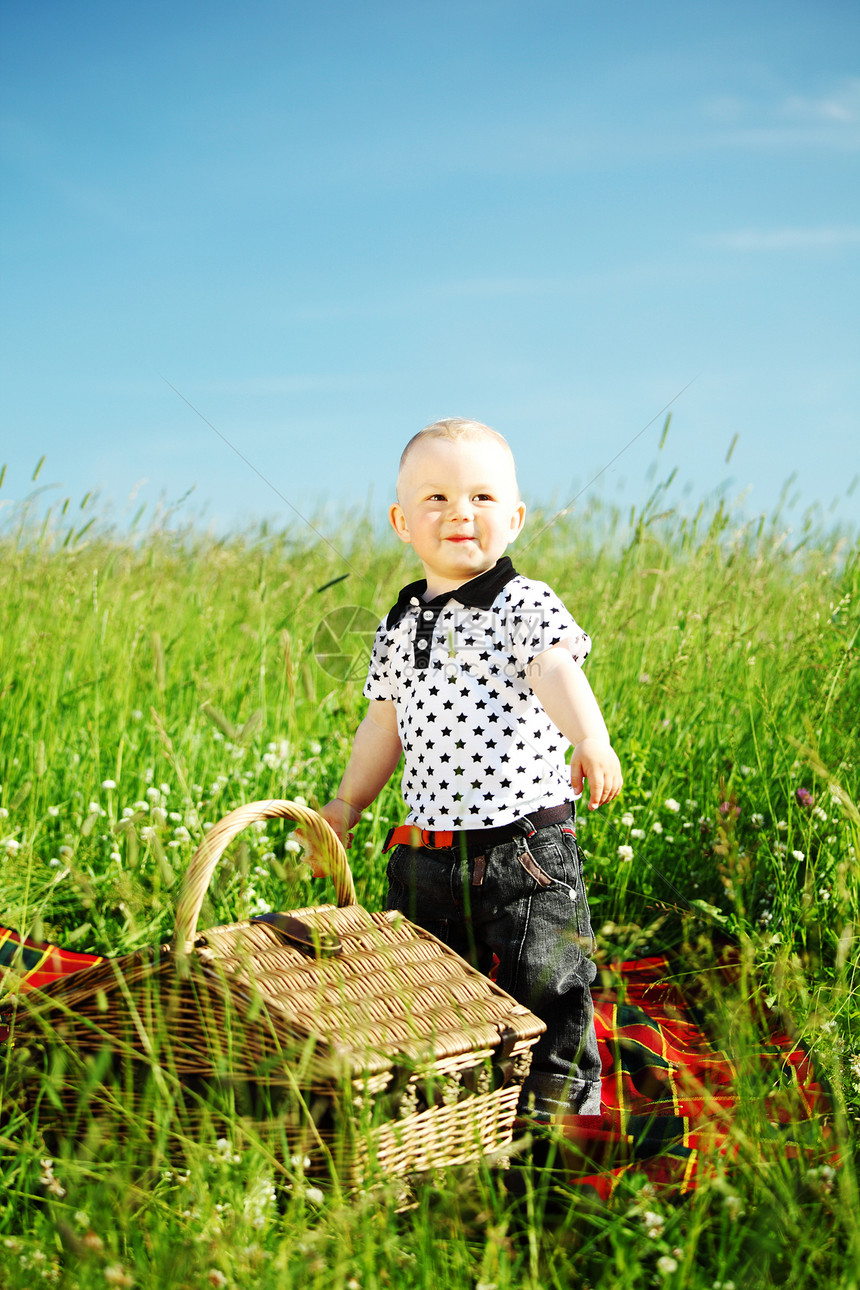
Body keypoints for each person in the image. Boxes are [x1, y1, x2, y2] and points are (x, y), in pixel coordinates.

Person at [317, 418, 622, 1120]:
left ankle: (560, 1111)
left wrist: (591, 740)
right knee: (427, 985)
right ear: (401, 521)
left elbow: (554, 670)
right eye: (437, 499)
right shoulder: (396, 625)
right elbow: (382, 724)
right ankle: (451, 1107)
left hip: (524, 849)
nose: (461, 513)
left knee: (544, 975)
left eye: (483, 498)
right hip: (427, 853)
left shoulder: (523, 603)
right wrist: (348, 803)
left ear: (514, 518)